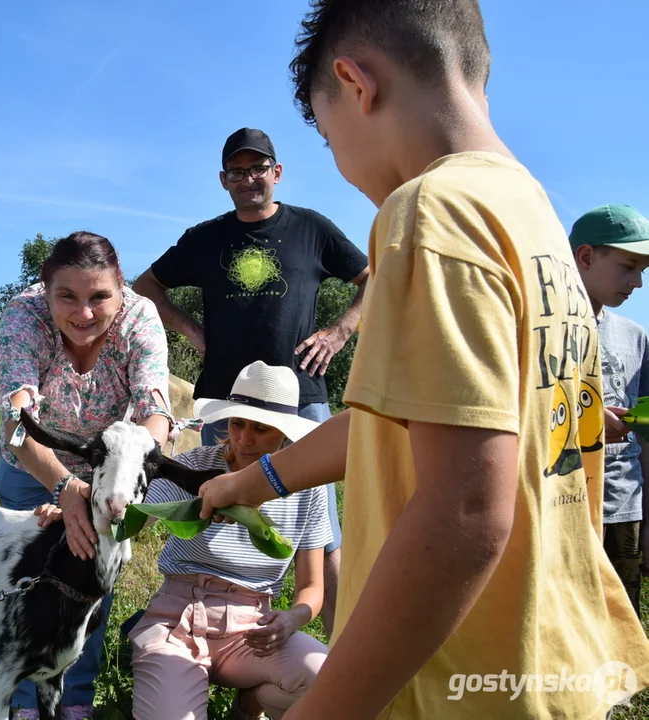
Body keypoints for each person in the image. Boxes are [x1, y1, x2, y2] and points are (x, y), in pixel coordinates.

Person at [195, 1, 649, 718]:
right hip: (543, 655)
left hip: (455, 675)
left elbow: (464, 512)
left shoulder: (427, 213)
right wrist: (252, 480)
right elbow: (411, 422)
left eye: (325, 135)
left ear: (354, 85)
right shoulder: (528, 211)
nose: (341, 165)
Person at [133, 126, 369, 638]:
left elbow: (374, 279)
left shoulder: (313, 229)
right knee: (220, 515)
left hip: (301, 399)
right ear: (224, 180)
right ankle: (217, 638)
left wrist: (339, 330)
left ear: (277, 173)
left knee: (322, 533)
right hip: (225, 402)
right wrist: (193, 331)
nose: (249, 179)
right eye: (237, 172)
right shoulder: (205, 238)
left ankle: (337, 658)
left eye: (258, 168)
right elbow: (145, 288)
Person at [0, 231, 172, 720]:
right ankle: (25, 701)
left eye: (100, 297)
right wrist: (63, 487)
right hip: (33, 467)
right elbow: (15, 426)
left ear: (121, 287)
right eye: (66, 296)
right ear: (44, 289)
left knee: (93, 578)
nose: (84, 313)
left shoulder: (140, 318)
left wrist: (128, 470)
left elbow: (155, 409)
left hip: (108, 469)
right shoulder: (22, 316)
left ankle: (76, 700)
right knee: (28, 576)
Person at [129, 361, 331, 720]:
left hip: (252, 631)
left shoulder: (307, 490)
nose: (243, 439)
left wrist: (292, 619)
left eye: (261, 428)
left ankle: (249, 706)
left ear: (284, 433)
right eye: (237, 423)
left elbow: (313, 587)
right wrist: (78, 502)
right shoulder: (194, 466)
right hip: (178, 622)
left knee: (330, 681)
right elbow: (133, 509)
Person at [570, 204, 649, 618]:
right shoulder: (540, 328)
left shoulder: (634, 337)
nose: (637, 282)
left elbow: (646, 438)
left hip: (625, 508)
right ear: (585, 257)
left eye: (643, 271)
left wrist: (647, 518)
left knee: (622, 624)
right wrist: (587, 424)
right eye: (628, 266)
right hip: (562, 507)